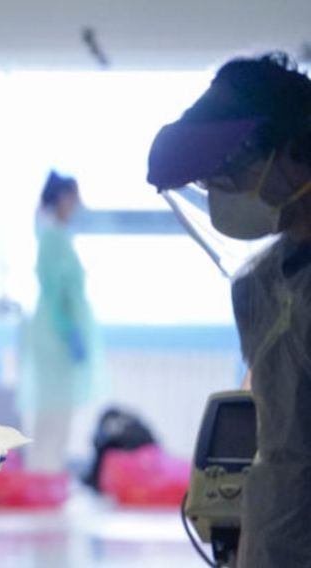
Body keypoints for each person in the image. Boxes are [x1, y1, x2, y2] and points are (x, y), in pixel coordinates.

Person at [146, 52, 311, 566]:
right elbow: (282, 450)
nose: (219, 192)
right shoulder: (262, 288)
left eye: (231, 170)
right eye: (208, 181)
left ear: (296, 152)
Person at [17, 170, 102, 473]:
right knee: (52, 413)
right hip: (55, 336)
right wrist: (69, 330)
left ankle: (50, 474)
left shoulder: (56, 235)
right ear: (64, 198)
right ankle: (43, 475)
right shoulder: (52, 237)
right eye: (74, 198)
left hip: (60, 334)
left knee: (58, 412)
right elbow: (55, 291)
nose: (77, 205)